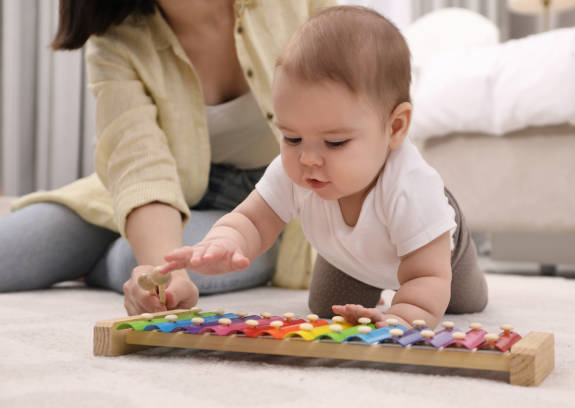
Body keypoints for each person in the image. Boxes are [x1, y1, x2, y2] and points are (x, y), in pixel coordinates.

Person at [160, 5, 489, 329]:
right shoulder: (298, 169)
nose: (308, 159)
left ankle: (460, 275)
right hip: (349, 255)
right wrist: (225, 240)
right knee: (325, 306)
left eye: (334, 143)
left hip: (434, 249)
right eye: (291, 137)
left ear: (396, 127)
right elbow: (253, 220)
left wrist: (399, 318)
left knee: (456, 300)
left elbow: (425, 276)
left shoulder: (412, 189)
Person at [0, 0, 335, 315]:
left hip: (272, 203)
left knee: (132, 260)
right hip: (157, 189)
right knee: (12, 248)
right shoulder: (118, 37)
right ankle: (107, 255)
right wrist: (159, 269)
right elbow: (138, 167)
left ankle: (104, 261)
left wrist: (155, 268)